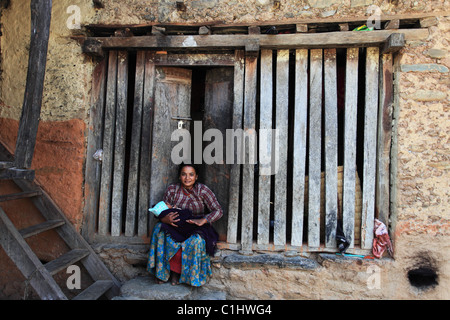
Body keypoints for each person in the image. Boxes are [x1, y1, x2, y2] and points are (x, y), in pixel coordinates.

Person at [147, 163, 223, 286]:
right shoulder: (172, 190)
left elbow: (218, 211)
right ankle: (163, 273)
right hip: (176, 225)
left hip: (196, 227)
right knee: (159, 230)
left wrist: (203, 220)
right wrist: (164, 218)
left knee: (195, 241)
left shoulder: (202, 190)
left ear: (196, 177)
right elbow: (161, 209)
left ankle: (185, 275)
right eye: (184, 174)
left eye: (191, 175)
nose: (187, 178)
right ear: (179, 176)